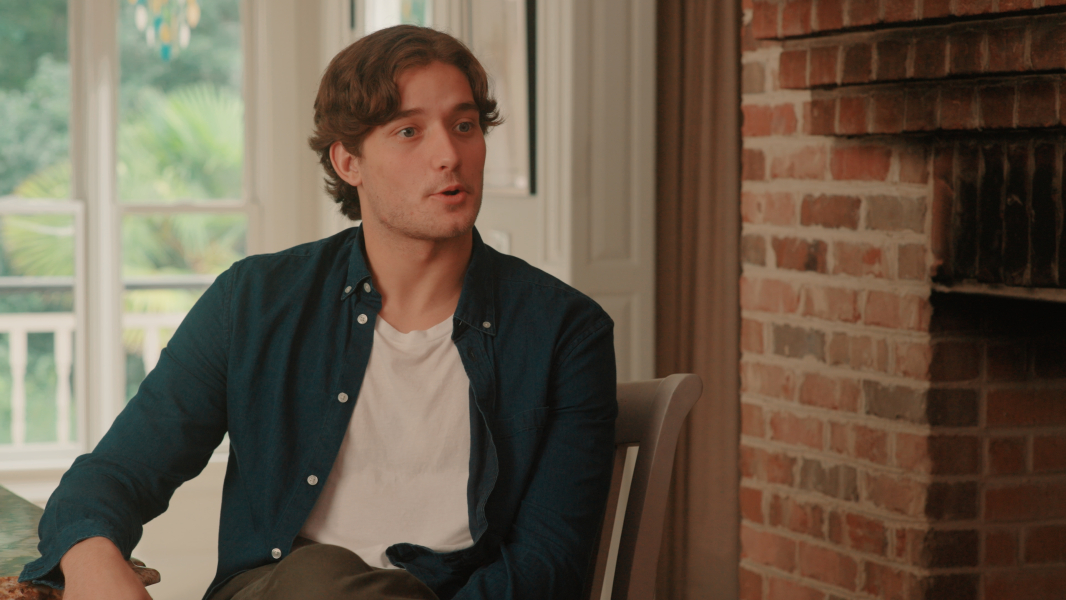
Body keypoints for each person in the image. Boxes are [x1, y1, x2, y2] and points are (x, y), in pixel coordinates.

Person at [19, 24, 617, 600]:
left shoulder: (564, 330)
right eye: (409, 131)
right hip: (281, 590)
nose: (449, 154)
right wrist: (93, 558)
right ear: (348, 163)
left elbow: (548, 561)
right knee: (319, 576)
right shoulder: (253, 302)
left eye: (464, 125)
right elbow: (115, 475)